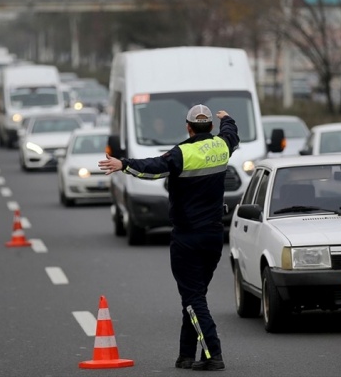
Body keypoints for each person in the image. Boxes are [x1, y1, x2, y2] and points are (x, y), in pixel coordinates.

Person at [98, 104, 240, 371]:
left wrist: (123, 164)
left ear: (188, 127)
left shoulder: (181, 154)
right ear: (210, 127)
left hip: (187, 237)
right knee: (195, 296)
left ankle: (213, 353)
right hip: (213, 236)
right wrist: (228, 119)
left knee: (193, 298)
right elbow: (232, 134)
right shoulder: (222, 146)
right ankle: (186, 355)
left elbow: (152, 168)